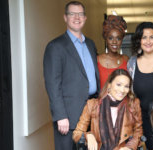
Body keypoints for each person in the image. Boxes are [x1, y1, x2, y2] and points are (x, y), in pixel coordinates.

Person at [43, 1, 100, 150]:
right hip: (68, 117)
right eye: (72, 14)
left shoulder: (91, 44)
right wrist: (60, 115)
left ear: (85, 18)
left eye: (80, 14)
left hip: (91, 111)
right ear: (65, 17)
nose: (77, 17)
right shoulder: (55, 46)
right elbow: (52, 84)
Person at [73, 69, 143, 150]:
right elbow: (77, 133)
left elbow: (138, 132)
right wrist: (88, 135)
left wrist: (129, 147)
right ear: (109, 85)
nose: (122, 90)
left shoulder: (133, 104)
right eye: (119, 85)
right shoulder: (92, 105)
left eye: (126, 86)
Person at [97, 15, 129, 89]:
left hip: (124, 100)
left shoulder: (126, 59)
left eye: (118, 38)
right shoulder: (97, 60)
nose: (114, 42)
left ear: (122, 40)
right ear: (106, 39)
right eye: (110, 38)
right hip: (103, 100)